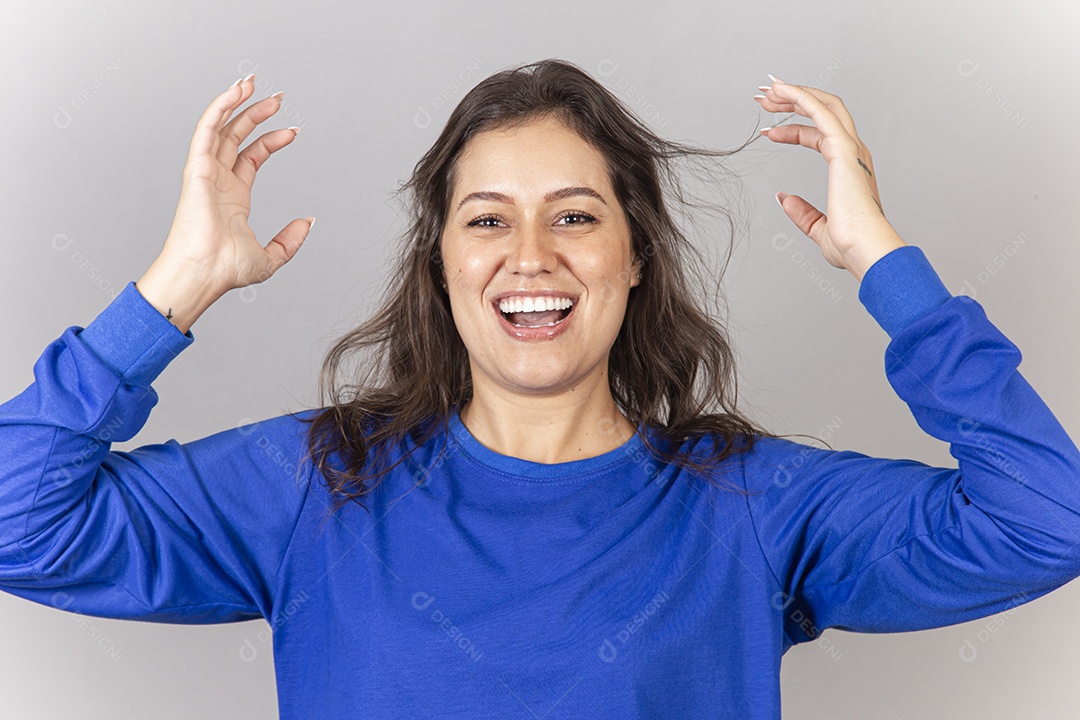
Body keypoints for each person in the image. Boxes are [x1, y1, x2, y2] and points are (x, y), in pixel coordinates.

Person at [1, 58, 1078, 719]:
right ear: (439, 264)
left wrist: (887, 267)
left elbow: (1046, 521)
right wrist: (178, 285)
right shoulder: (315, 484)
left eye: (574, 216)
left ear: (635, 254)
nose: (530, 256)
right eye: (486, 220)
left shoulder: (748, 504)